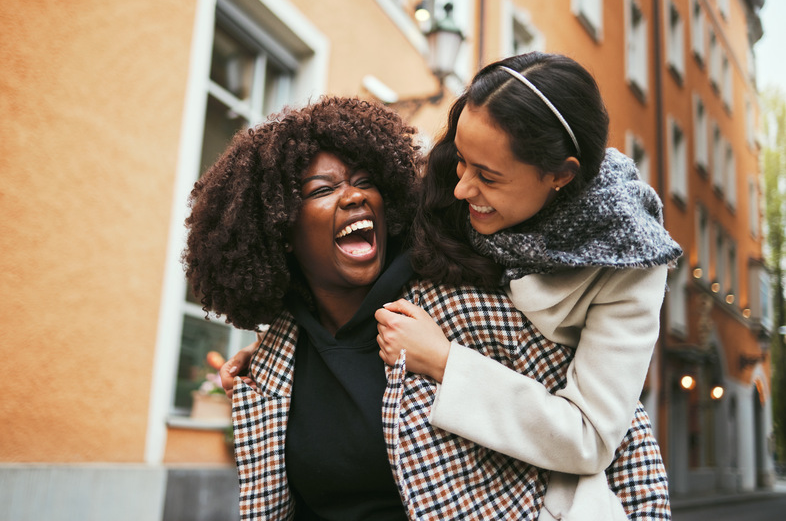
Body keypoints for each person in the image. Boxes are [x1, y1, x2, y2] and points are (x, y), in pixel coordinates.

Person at [197, 96, 669, 520]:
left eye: (366, 182)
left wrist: (447, 362)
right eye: (323, 190)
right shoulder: (274, 363)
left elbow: (623, 439)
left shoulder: (462, 307)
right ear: (279, 228)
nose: (354, 196)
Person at [375, 51, 682, 519]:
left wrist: (446, 363)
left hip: (540, 494)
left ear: (560, 175)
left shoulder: (630, 260)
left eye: (488, 177)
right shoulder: (452, 187)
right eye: (462, 160)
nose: (461, 189)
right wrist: (286, 346)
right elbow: (367, 279)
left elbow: (590, 436)